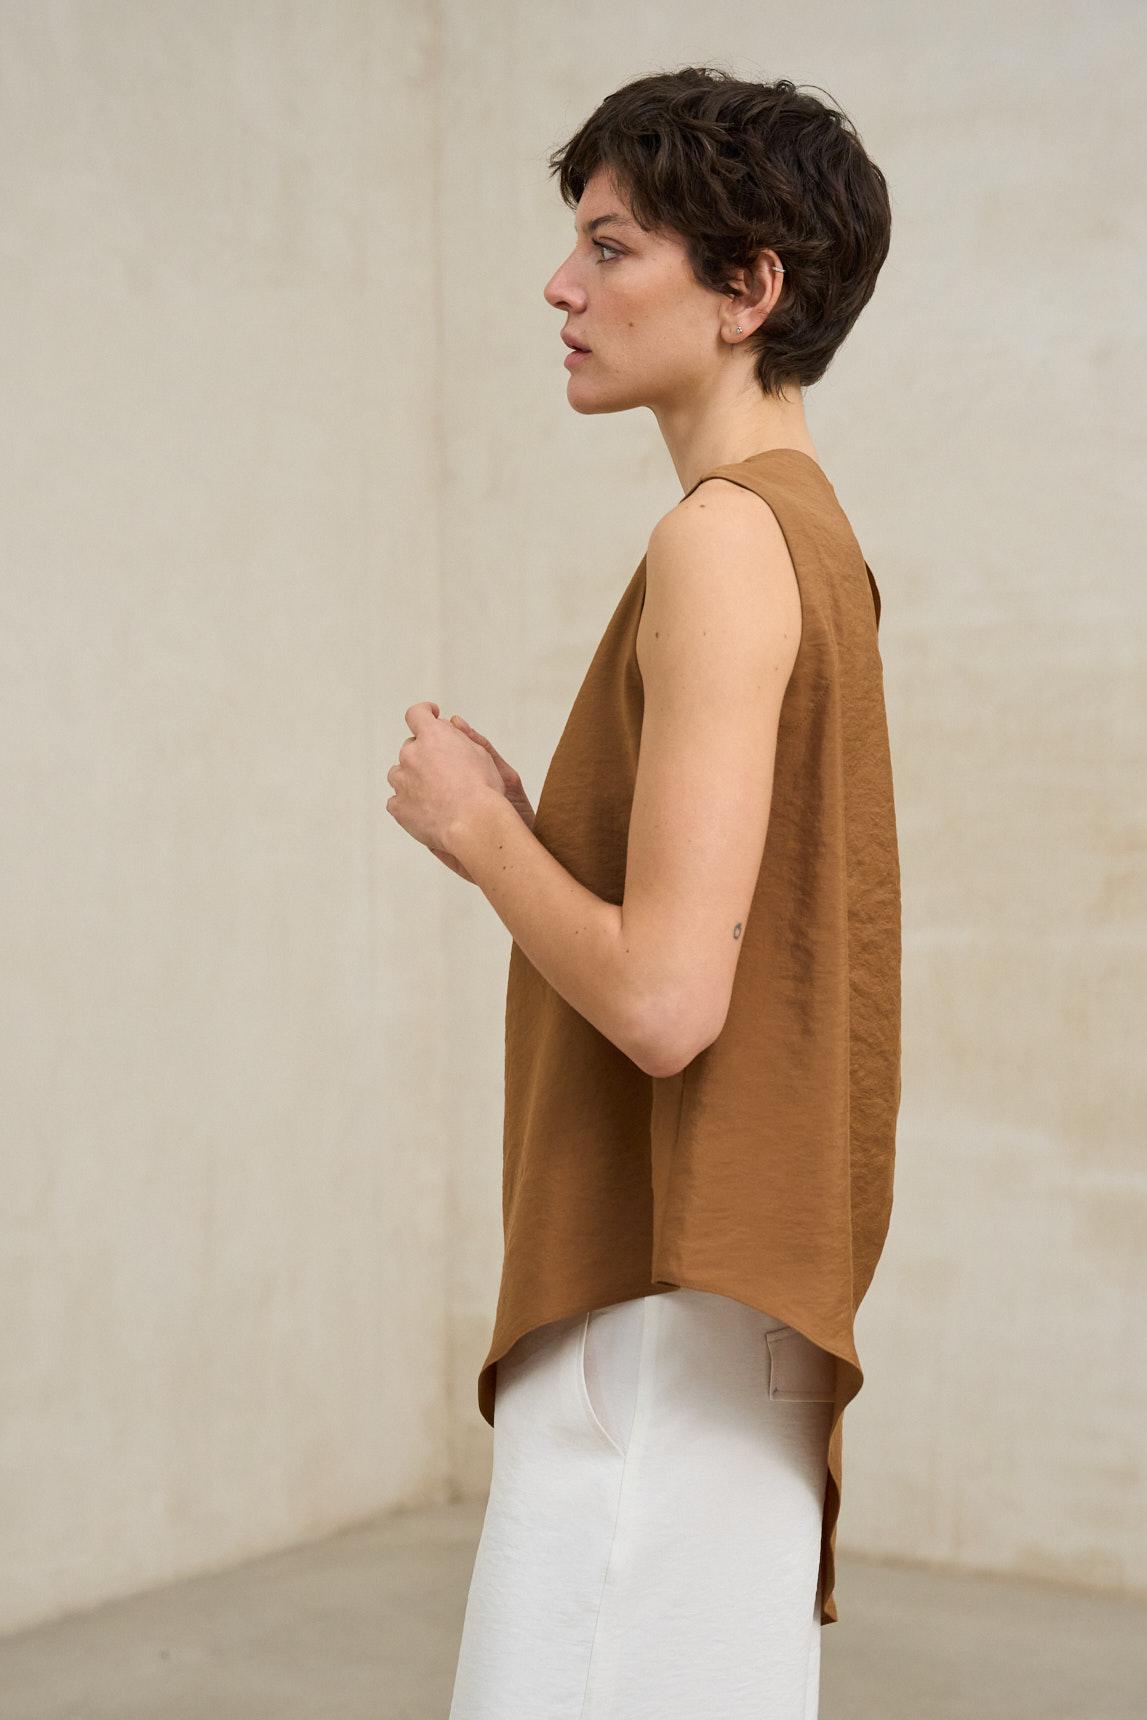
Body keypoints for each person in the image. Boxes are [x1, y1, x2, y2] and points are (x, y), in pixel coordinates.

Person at [386, 66, 901, 1720]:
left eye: (612, 247)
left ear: (749, 289)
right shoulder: (809, 537)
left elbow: (671, 1004)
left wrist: (480, 832)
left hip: (655, 1310)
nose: (563, 285)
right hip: (722, 1306)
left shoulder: (723, 542)